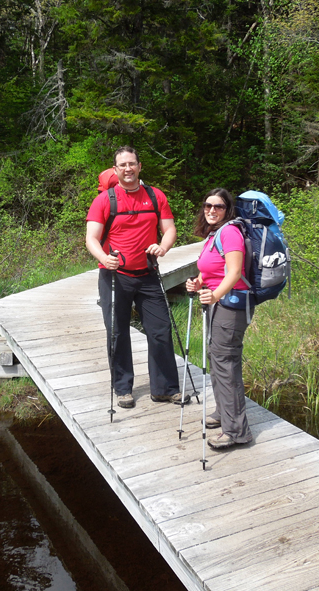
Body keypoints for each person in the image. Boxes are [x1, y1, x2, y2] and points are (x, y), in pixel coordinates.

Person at [85, 146, 180, 409]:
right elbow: (91, 238)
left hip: (148, 275)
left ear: (140, 166)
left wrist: (163, 247)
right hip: (115, 276)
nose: (128, 169)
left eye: (132, 164)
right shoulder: (105, 200)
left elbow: (169, 229)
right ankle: (123, 388)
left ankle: (165, 388)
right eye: (122, 165)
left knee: (160, 330)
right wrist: (104, 258)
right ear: (115, 170)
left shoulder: (155, 196)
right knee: (117, 333)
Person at [185, 188, 253, 449]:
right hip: (220, 303)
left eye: (219, 206)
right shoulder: (214, 235)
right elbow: (211, 271)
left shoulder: (230, 232)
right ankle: (223, 413)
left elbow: (235, 273)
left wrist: (214, 296)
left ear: (228, 209)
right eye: (207, 205)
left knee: (226, 363)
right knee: (217, 357)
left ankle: (237, 432)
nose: (211, 210)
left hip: (231, 305)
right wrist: (198, 283)